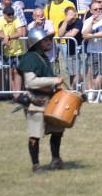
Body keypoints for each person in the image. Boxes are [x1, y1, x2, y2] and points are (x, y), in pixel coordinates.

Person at [17, 28, 67, 173]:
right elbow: (30, 82)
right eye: (46, 40)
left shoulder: (43, 57)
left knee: (57, 130)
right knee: (35, 135)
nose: (49, 42)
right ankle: (36, 165)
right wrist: (54, 80)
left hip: (51, 101)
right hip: (36, 102)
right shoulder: (29, 58)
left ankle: (56, 160)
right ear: (37, 42)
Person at [82, 0, 102, 103]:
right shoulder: (88, 20)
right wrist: (92, 22)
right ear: (91, 11)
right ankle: (97, 93)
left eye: (100, 9)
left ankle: (93, 92)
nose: (98, 11)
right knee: (94, 74)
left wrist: (92, 36)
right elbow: (84, 33)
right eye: (95, 9)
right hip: (93, 50)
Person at [0, 5, 26, 92]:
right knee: (10, 73)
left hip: (18, 51)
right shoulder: (1, 20)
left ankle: (18, 92)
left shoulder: (16, 19)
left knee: (17, 72)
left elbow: (20, 33)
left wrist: (8, 37)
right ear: (4, 14)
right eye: (9, 14)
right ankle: (14, 94)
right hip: (7, 52)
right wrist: (5, 37)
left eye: (12, 14)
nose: (11, 16)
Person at [56, 7, 83, 89]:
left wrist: (65, 34)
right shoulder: (62, 23)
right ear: (66, 15)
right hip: (70, 51)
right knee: (72, 73)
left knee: (81, 73)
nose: (73, 17)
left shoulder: (78, 21)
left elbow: (73, 34)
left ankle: (73, 89)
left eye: (74, 14)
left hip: (80, 51)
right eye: (70, 15)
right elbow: (60, 34)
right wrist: (66, 21)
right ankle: (74, 91)